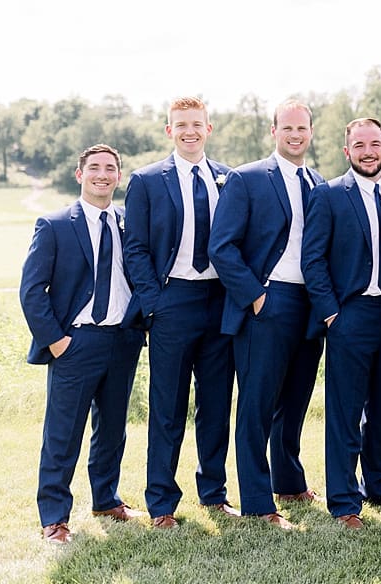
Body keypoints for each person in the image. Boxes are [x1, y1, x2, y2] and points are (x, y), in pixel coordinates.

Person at [20, 144, 147, 544]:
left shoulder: (130, 223)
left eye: (111, 169)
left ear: (119, 177)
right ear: (80, 175)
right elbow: (32, 291)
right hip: (76, 342)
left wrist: (139, 325)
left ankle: (106, 499)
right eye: (94, 168)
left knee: (112, 429)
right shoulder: (54, 224)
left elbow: (145, 275)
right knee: (63, 433)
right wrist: (57, 341)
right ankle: (54, 518)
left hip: (123, 340)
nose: (102, 175)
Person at [208, 100, 326, 528]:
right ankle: (259, 501)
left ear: (311, 132)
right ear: (274, 131)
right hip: (266, 302)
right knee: (257, 406)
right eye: (288, 128)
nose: (295, 135)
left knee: (294, 401)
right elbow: (221, 247)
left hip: (309, 306)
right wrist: (255, 296)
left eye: (303, 128)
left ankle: (289, 481)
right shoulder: (248, 177)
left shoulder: (318, 182)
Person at [123, 96, 239, 529]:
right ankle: (162, 503)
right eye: (181, 124)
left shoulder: (229, 178)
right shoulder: (147, 180)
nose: (190, 130)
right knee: (167, 406)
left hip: (220, 302)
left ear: (209, 128)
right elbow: (134, 247)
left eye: (197, 123)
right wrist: (154, 304)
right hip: (172, 302)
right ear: (168, 130)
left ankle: (213, 493)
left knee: (215, 404)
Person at [301, 118, 381, 529]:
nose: (368, 151)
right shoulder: (328, 195)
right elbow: (312, 259)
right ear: (347, 151)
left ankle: (379, 485)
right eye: (359, 145)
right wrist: (332, 313)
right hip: (351, 313)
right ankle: (345, 500)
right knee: (346, 411)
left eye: (375, 144)